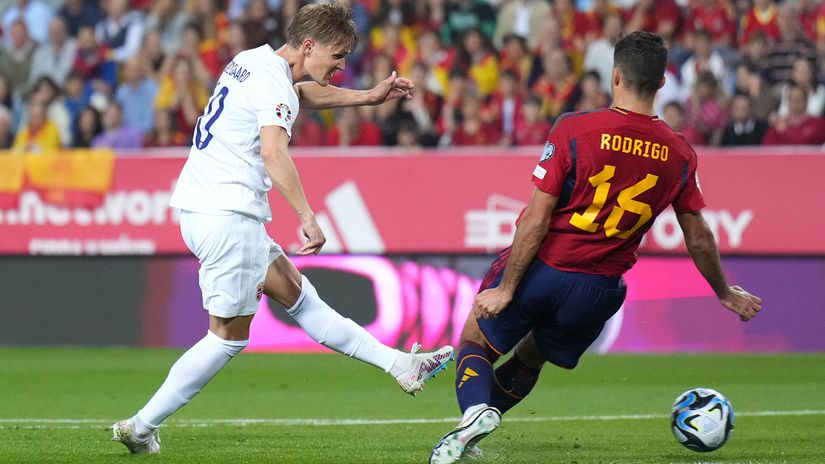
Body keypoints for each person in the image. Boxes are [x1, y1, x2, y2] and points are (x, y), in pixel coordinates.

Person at [111, 2, 454, 454]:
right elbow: (274, 152)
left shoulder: (254, 60)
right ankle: (140, 426)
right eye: (337, 55)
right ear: (309, 46)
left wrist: (368, 96)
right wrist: (308, 217)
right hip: (229, 217)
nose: (341, 65)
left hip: (203, 209)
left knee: (300, 297)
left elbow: (300, 94)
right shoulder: (274, 81)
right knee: (226, 339)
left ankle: (400, 366)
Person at [428, 31, 763, 464]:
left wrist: (507, 287)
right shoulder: (680, 154)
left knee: (476, 341)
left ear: (616, 75)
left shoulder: (575, 129)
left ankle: (475, 412)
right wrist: (723, 291)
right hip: (598, 290)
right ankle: (472, 431)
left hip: (545, 267)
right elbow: (697, 236)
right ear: (662, 83)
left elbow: (536, 219)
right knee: (530, 357)